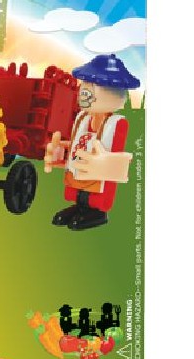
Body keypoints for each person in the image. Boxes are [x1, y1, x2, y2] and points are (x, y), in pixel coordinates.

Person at [45, 54, 140, 230]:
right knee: (75, 193)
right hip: (78, 175)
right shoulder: (82, 118)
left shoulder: (116, 124)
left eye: (93, 85)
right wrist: (60, 152)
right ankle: (79, 208)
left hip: (97, 182)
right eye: (85, 84)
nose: (85, 90)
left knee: (95, 198)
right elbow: (78, 144)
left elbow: (121, 162)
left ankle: (96, 213)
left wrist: (103, 165)